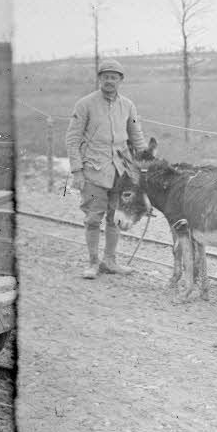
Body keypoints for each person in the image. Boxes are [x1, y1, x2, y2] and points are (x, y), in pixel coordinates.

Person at [65, 58, 146, 279]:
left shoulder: (128, 106)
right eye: (105, 76)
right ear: (99, 79)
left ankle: (110, 261)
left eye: (114, 77)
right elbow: (72, 139)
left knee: (115, 217)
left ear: (120, 80)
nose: (110, 81)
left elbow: (137, 136)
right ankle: (93, 263)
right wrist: (77, 171)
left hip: (121, 173)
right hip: (93, 171)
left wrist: (147, 163)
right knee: (93, 218)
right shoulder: (85, 104)